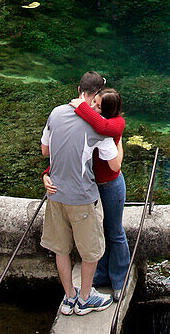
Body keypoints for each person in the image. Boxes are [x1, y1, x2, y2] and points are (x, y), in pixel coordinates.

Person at [40, 71, 120, 316]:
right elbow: (113, 164)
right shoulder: (97, 125)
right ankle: (85, 299)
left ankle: (69, 297)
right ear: (96, 96)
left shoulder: (55, 112)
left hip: (55, 195)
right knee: (90, 251)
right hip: (82, 197)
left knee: (61, 249)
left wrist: (47, 173)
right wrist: (118, 138)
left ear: (78, 90)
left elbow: (45, 150)